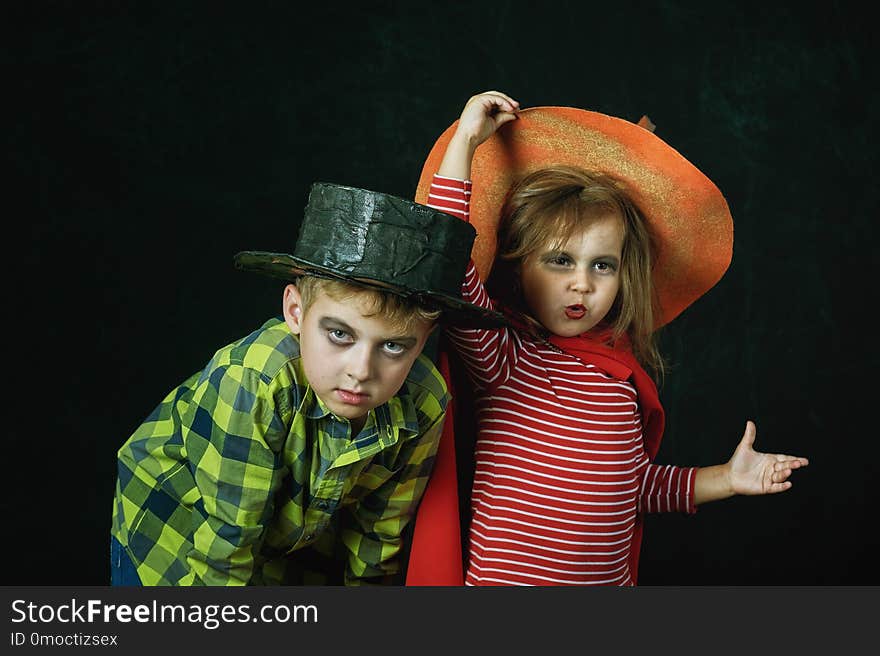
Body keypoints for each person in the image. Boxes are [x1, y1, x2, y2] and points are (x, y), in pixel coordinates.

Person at [405, 91, 809, 586]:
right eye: (560, 261)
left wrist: (725, 479)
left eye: (603, 265)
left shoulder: (618, 379)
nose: (583, 283)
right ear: (519, 267)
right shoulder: (505, 358)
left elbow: (630, 488)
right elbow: (445, 261)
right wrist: (467, 141)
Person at [109, 181, 506, 586]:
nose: (361, 370)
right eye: (339, 335)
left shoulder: (425, 402)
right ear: (295, 312)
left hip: (284, 543)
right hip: (172, 529)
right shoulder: (253, 379)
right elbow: (228, 541)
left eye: (392, 346)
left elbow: (380, 539)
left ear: (422, 341)